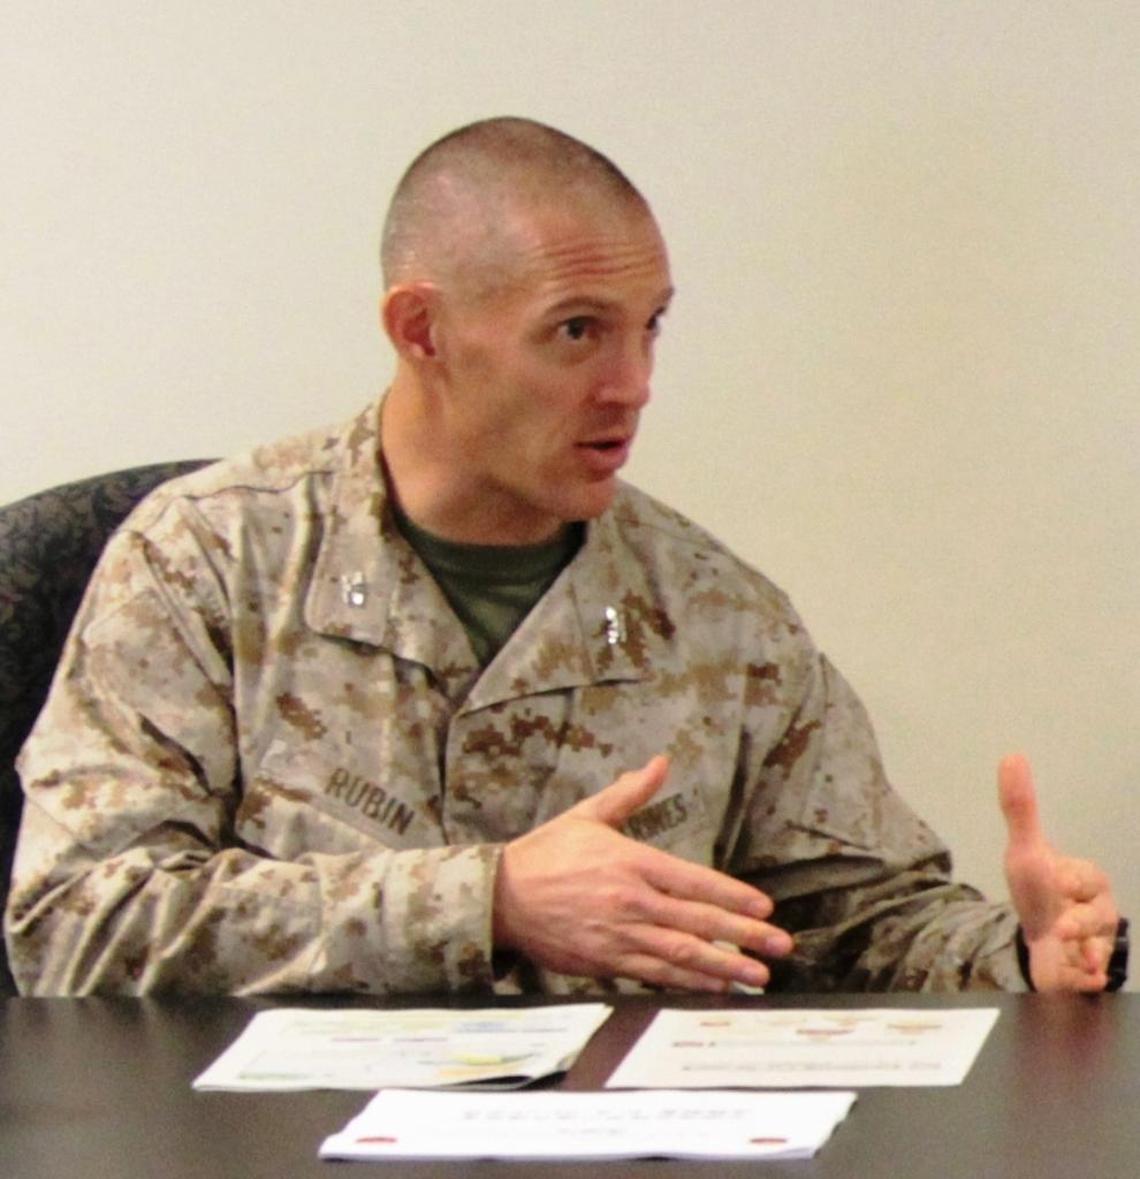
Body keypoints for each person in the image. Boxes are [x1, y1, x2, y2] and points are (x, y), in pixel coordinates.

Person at [4, 117, 1124, 997]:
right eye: (578, 330)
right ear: (422, 330)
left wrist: (1016, 955)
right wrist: (482, 903)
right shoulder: (209, 563)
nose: (632, 383)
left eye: (653, 326)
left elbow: (850, 924)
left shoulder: (711, 615)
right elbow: (73, 927)